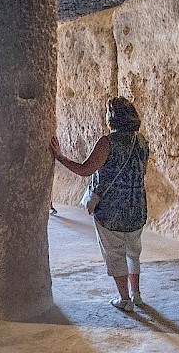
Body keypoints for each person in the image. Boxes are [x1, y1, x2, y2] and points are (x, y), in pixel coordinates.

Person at [50, 97, 150, 313]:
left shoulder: (108, 142)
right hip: (136, 206)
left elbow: (86, 169)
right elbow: (142, 172)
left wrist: (60, 157)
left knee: (115, 254)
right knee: (133, 252)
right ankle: (137, 295)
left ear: (112, 118)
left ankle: (125, 300)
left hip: (111, 209)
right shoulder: (141, 141)